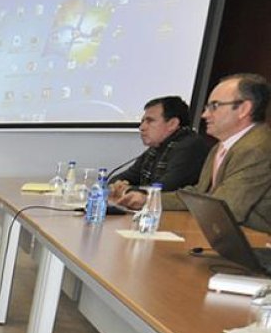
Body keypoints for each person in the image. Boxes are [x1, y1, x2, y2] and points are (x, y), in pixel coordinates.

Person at [133, 74, 271, 231]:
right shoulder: (221, 146)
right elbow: (199, 193)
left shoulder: (256, 149)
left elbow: (227, 209)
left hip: (256, 246)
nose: (204, 114)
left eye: (214, 106)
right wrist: (147, 200)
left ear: (243, 109)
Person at [110, 96, 215, 207]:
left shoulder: (190, 146)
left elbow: (165, 189)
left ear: (172, 124)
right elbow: (120, 178)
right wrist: (117, 185)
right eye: (143, 121)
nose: (142, 127)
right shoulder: (156, 149)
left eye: (150, 121)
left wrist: (126, 189)